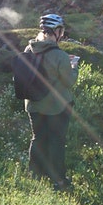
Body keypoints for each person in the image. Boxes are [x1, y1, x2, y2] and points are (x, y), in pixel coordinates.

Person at [24, 14, 78, 191]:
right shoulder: (60, 55)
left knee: (38, 138)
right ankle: (59, 181)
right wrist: (74, 67)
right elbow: (69, 81)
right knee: (56, 141)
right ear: (57, 31)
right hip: (57, 106)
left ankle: (34, 175)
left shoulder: (29, 49)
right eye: (61, 31)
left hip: (33, 104)